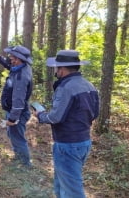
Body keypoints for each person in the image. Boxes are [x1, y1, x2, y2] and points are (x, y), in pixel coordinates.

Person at [32, 50, 99, 198]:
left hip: (67, 145)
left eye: (56, 68)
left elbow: (56, 117)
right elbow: (94, 114)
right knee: (62, 185)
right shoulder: (89, 85)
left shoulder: (66, 87)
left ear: (61, 69)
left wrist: (41, 115)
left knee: (71, 191)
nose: (55, 71)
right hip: (84, 142)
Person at [0, 45, 33, 168]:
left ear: (19, 59)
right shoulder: (20, 67)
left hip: (17, 113)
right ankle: (19, 158)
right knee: (13, 136)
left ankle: (25, 164)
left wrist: (12, 119)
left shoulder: (21, 76)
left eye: (12, 58)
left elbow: (18, 101)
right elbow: (9, 65)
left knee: (18, 138)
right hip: (13, 111)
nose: (10, 59)